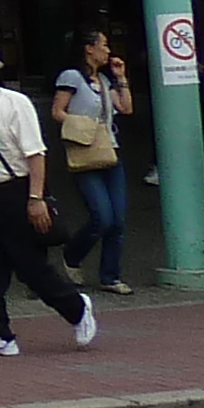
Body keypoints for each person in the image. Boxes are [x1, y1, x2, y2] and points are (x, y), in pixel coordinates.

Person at [0, 37, 98, 357]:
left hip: (17, 192)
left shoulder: (15, 104)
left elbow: (35, 154)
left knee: (31, 269)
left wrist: (35, 198)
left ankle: (77, 308)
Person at [52, 25, 135, 295]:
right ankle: (72, 255)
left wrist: (121, 77)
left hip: (109, 150)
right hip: (84, 152)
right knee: (102, 216)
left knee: (118, 219)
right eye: (104, 45)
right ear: (89, 49)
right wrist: (83, 128)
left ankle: (110, 275)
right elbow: (58, 111)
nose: (108, 50)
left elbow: (126, 107)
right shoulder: (71, 77)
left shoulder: (104, 81)